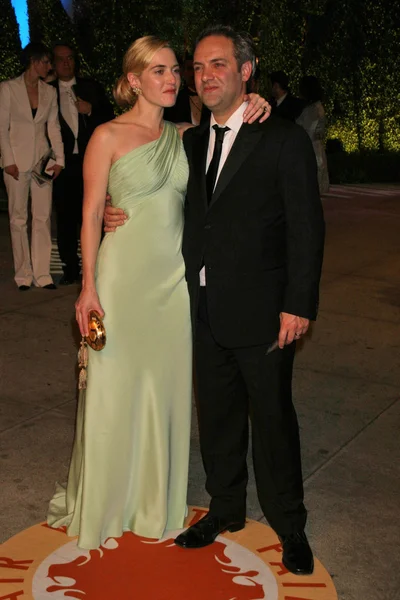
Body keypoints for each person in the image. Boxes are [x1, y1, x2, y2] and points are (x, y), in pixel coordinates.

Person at [105, 25, 325, 576]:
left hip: (265, 311)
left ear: (246, 71)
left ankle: (289, 524)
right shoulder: (189, 142)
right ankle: (224, 509)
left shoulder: (282, 138)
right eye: (197, 67)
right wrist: (116, 215)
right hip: (199, 310)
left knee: (273, 421)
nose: (204, 77)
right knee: (220, 421)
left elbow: (306, 227)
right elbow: (157, 198)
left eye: (218, 65)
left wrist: (299, 303)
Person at [47, 35, 269, 550]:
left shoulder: (189, 136)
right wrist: (88, 289)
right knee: (113, 389)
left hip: (173, 288)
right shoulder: (106, 136)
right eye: (160, 71)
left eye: (176, 70)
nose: (173, 80)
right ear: (133, 80)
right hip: (121, 282)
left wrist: (259, 100)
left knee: (163, 395)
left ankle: (154, 501)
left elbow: (233, 138)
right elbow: (87, 214)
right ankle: (106, 500)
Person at [0, 42, 64, 290]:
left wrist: (59, 159)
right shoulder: (8, 88)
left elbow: (53, 126)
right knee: (18, 219)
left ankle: (42, 274)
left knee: (43, 217)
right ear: (33, 61)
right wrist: (8, 161)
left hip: (42, 161)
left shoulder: (49, 91)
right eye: (46, 61)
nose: (49, 66)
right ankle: (23, 275)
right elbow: (2, 128)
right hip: (16, 161)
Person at [49, 43, 115, 285]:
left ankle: (97, 267)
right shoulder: (47, 90)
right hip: (62, 165)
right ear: (54, 64)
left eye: (70, 58)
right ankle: (70, 269)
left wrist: (90, 110)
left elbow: (109, 118)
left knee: (92, 215)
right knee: (65, 218)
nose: (66, 63)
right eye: (61, 59)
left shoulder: (90, 87)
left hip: (91, 161)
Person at [297, 75, 330, 194]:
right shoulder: (316, 107)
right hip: (315, 146)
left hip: (311, 146)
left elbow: (307, 129)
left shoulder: (312, 109)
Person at [164, 54, 210, 125]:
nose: (193, 73)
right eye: (189, 69)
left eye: (197, 69)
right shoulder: (174, 99)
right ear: (182, 73)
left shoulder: (211, 95)